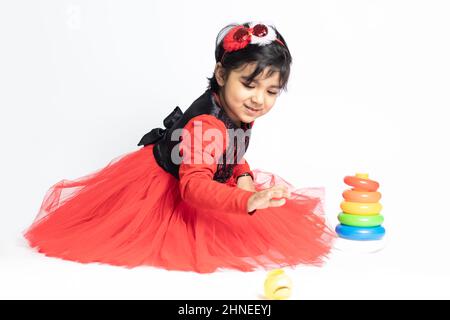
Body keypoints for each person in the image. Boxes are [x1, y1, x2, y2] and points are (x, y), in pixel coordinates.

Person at [23, 21, 335, 273]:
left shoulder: (236, 111)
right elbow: (194, 187)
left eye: (271, 91)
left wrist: (242, 174)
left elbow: (232, 151)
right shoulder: (206, 126)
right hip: (169, 187)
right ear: (222, 74)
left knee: (255, 224)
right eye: (249, 85)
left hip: (200, 172)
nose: (259, 99)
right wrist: (248, 199)